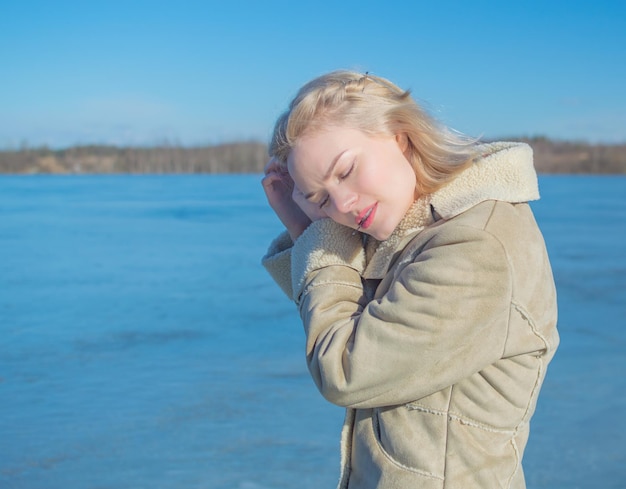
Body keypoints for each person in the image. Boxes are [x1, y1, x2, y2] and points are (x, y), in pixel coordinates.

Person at [261, 70, 559, 489]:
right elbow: (356, 310)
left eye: (346, 170)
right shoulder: (415, 233)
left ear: (400, 135)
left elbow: (344, 368)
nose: (343, 204)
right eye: (322, 199)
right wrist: (303, 227)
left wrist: (320, 239)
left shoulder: (475, 246)